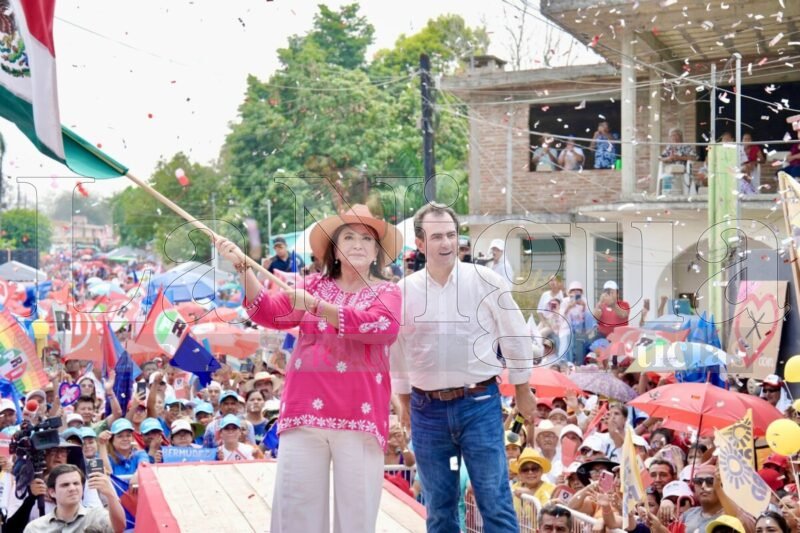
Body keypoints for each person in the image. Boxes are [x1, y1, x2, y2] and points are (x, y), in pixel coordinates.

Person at [216, 203, 402, 533]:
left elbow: (382, 328)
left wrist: (320, 308)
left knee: (356, 517)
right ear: (335, 250)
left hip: (359, 416)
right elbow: (270, 313)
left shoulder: (387, 292)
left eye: (366, 238)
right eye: (348, 237)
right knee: (296, 510)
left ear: (376, 252)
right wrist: (244, 269)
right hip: (305, 413)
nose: (358, 244)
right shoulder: (313, 285)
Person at [391, 202, 535, 533]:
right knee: (439, 507)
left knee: (494, 501)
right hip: (426, 409)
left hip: (480, 403)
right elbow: (395, 348)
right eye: (436, 236)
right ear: (420, 243)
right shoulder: (403, 292)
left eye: (451, 235)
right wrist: (402, 398)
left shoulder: (487, 281)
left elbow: (513, 335)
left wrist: (523, 390)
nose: (445, 243)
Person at [21, 464, 125, 533]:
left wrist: (111, 495)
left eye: (76, 483)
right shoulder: (36, 528)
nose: (72, 488)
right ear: (52, 492)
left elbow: (119, 528)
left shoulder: (96, 516)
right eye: (65, 485)